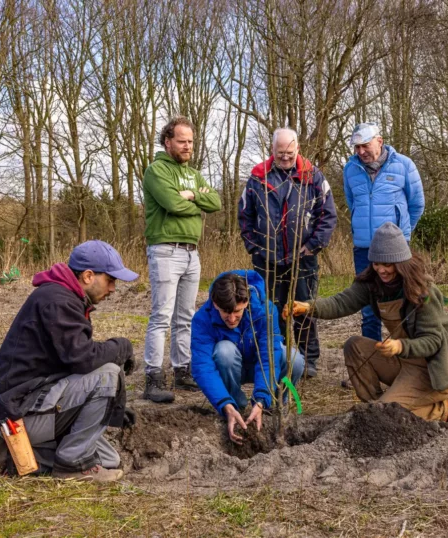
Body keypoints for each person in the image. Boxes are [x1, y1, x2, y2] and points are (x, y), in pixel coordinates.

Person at [0, 241, 138, 482]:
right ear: (88, 276)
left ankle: (23, 458)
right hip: (18, 412)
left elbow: (71, 363)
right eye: (110, 280)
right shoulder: (57, 301)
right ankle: (72, 466)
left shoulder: (63, 296)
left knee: (109, 460)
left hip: (30, 402)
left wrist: (107, 407)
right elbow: (84, 359)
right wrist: (122, 347)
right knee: (108, 373)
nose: (114, 288)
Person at [285, 223, 448, 421]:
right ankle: (378, 408)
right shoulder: (371, 283)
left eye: (387, 264)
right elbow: (341, 303)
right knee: (355, 346)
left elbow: (433, 341)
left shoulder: (424, 292)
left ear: (401, 262)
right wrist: (309, 307)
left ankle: (444, 407)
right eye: (377, 264)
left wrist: (399, 345)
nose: (381, 270)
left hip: (432, 370)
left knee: (390, 417)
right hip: (403, 361)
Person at [238, 128, 337, 378]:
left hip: (303, 258)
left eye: (290, 153)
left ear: (298, 149)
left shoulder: (313, 176)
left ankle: (309, 359)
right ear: (273, 150)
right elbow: (245, 215)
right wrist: (254, 247)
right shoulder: (258, 177)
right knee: (272, 311)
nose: (285, 158)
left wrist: (312, 246)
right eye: (280, 153)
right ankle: (278, 357)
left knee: (304, 310)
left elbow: (327, 215)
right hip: (267, 260)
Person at [143, 116, 221, 402]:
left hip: (192, 252)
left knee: (185, 316)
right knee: (162, 315)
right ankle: (153, 375)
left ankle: (182, 370)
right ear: (168, 142)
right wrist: (188, 200)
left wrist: (191, 196)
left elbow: (215, 202)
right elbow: (173, 205)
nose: (187, 146)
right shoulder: (156, 171)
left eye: (190, 141)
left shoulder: (194, 173)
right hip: (165, 249)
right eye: (182, 141)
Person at [191, 271, 305, 444]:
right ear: (215, 304)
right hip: (229, 367)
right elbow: (203, 366)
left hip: (258, 365)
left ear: (245, 302)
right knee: (224, 351)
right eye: (225, 313)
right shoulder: (202, 318)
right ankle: (235, 406)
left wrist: (260, 399)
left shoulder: (265, 311)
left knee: (294, 359)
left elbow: (269, 357)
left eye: (237, 312)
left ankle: (274, 404)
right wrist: (225, 405)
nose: (231, 319)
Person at [343, 122, 425, 342]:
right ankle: (372, 358)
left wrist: (402, 235)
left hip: (397, 251)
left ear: (379, 141)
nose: (360, 152)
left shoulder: (404, 165)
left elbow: (417, 204)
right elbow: (353, 205)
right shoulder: (350, 169)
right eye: (356, 147)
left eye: (365, 145)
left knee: (406, 303)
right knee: (369, 308)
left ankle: (410, 357)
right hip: (363, 249)